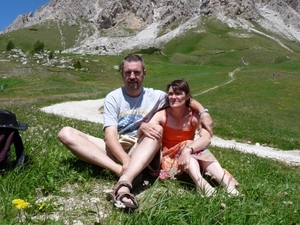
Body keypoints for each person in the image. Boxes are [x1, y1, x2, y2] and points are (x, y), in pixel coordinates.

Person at [58, 55, 212, 184]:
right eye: (128, 72)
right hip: (117, 144)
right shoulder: (113, 97)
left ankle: (126, 170)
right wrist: (125, 161)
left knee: (155, 132)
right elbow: (110, 136)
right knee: (66, 133)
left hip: (140, 145)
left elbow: (184, 99)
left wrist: (203, 112)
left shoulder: (156, 96)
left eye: (136, 73)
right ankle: (120, 170)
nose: (132, 77)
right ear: (122, 74)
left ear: (144, 73)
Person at [109, 79, 239, 210]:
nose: (173, 97)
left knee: (193, 148)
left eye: (178, 94)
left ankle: (223, 186)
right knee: (190, 145)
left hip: (187, 156)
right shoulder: (162, 115)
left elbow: (207, 139)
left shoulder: (194, 116)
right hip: (167, 159)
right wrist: (142, 128)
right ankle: (209, 184)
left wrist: (188, 150)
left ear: (187, 96)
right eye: (170, 94)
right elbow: (145, 137)